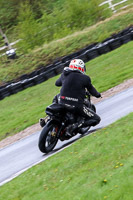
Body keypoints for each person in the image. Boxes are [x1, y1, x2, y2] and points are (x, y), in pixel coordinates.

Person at [55, 59, 101, 136]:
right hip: (76, 105)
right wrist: (98, 95)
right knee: (96, 119)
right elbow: (92, 90)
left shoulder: (64, 74)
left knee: (56, 96)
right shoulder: (85, 78)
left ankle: (48, 119)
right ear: (80, 68)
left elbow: (57, 83)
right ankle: (74, 127)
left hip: (62, 101)